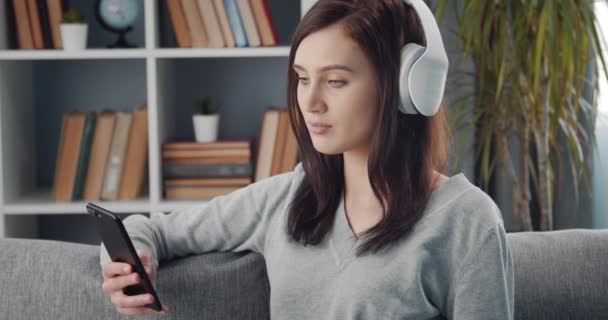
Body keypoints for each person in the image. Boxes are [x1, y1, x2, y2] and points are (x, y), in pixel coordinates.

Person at [100, 0, 514, 318]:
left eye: (335, 81)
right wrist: (130, 265)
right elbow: (149, 230)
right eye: (302, 78)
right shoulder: (288, 198)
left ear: (407, 86)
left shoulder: (466, 222)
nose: (310, 102)